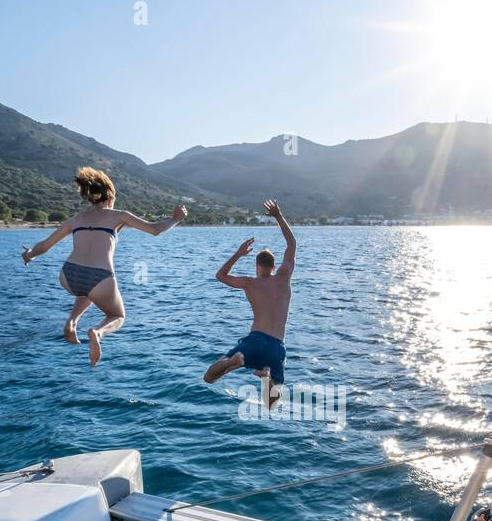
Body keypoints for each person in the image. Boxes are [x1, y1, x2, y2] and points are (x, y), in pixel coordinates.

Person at [22, 168, 187, 365]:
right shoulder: (119, 215)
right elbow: (155, 229)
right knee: (117, 315)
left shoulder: (75, 219)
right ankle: (97, 333)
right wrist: (176, 218)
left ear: (89, 197)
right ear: (110, 195)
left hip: (68, 275)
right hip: (99, 277)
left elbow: (45, 245)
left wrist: (30, 254)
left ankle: (71, 322)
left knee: (86, 291)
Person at [204, 199, 295, 403]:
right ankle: (267, 378)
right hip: (277, 346)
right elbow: (292, 244)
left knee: (210, 377)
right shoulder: (284, 277)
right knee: (271, 404)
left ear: (257, 265)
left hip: (255, 340)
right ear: (274, 266)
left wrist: (238, 253)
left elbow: (221, 275)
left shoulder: (249, 283)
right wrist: (278, 216)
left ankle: (234, 361)